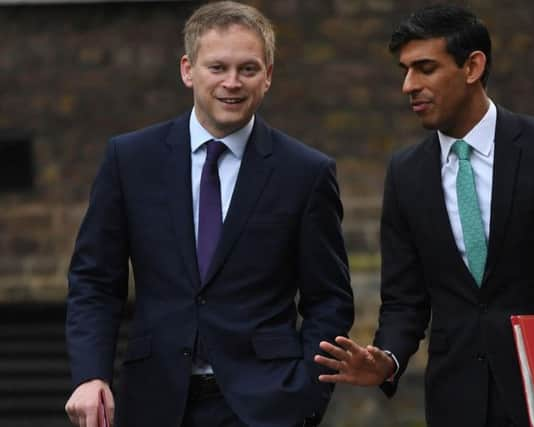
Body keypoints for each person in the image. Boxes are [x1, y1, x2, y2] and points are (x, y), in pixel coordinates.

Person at [314, 4, 534, 427]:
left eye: (425, 68)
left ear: (472, 66)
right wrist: (387, 359)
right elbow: (404, 300)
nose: (408, 85)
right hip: (455, 401)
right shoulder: (406, 172)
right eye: (405, 70)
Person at [64, 2, 354, 427]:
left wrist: (307, 395)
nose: (232, 83)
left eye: (248, 69)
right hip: (154, 400)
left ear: (268, 75)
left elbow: (328, 298)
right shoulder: (130, 160)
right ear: (188, 70)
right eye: (217, 67)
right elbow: (94, 280)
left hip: (266, 406)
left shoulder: (305, 173)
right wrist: (90, 375)